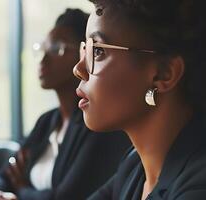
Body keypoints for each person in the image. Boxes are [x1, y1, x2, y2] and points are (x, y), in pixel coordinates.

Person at [0, 9, 130, 200]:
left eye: (56, 48)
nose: (43, 58)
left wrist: (22, 189)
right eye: (43, 47)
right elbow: (5, 176)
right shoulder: (47, 121)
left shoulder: (97, 124)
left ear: (83, 53)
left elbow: (65, 198)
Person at [73, 0, 206, 199]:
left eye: (98, 51)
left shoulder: (198, 187)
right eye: (86, 49)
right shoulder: (134, 165)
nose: (78, 69)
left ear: (164, 74)